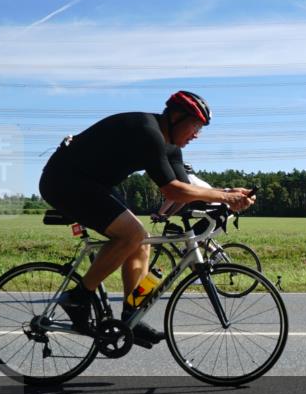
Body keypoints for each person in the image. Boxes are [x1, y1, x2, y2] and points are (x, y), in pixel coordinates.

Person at [39, 91, 255, 347]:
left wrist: (227, 195)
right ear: (176, 117)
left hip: (94, 184)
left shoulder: (171, 147)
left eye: (200, 129)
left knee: (142, 242)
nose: (196, 134)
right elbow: (171, 190)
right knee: (132, 234)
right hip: (64, 181)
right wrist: (224, 197)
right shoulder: (147, 132)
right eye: (195, 125)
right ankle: (78, 297)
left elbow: (185, 192)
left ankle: (132, 315)